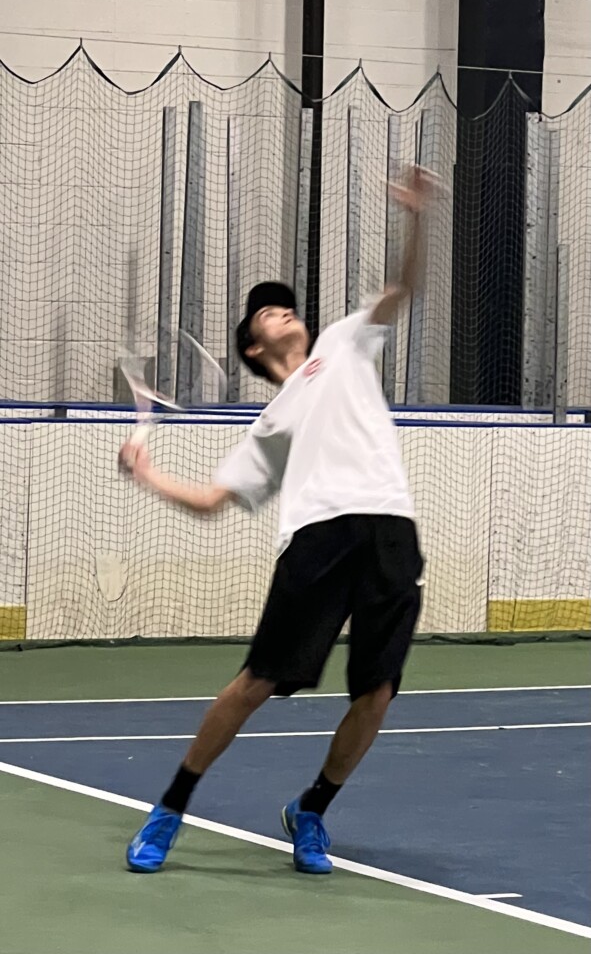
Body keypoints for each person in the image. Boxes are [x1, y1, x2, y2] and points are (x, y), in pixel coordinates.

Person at [121, 166, 438, 875]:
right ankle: (169, 808)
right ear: (251, 349)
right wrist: (147, 476)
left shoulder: (344, 340)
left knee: (376, 692)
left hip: (389, 527)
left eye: (284, 307)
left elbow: (401, 290)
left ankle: (312, 811)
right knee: (257, 681)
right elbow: (210, 501)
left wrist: (416, 217)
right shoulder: (269, 422)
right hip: (316, 539)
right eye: (267, 314)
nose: (282, 312)